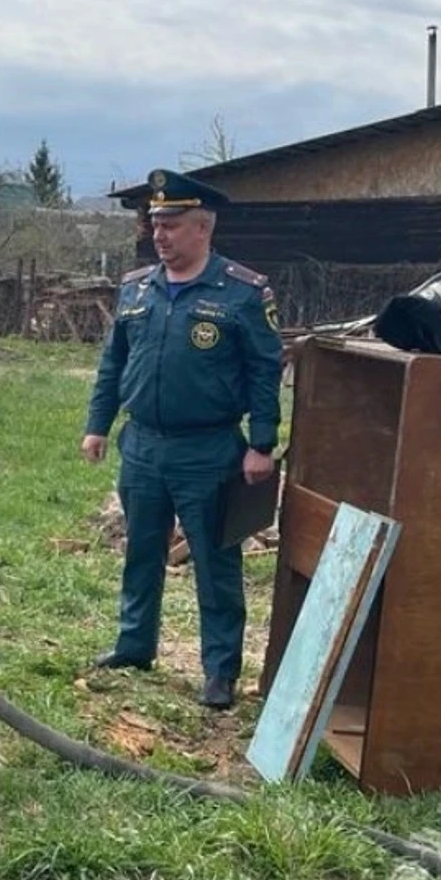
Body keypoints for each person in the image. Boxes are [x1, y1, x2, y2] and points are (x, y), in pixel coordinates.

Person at [80, 168, 283, 710]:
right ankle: (134, 644)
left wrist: (262, 443)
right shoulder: (135, 288)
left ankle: (220, 671)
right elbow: (114, 361)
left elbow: (265, 370)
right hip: (142, 444)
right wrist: (98, 424)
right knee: (142, 550)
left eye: (171, 224)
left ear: (203, 228)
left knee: (216, 563)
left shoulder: (242, 292)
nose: (159, 234)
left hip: (209, 450)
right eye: (155, 223)